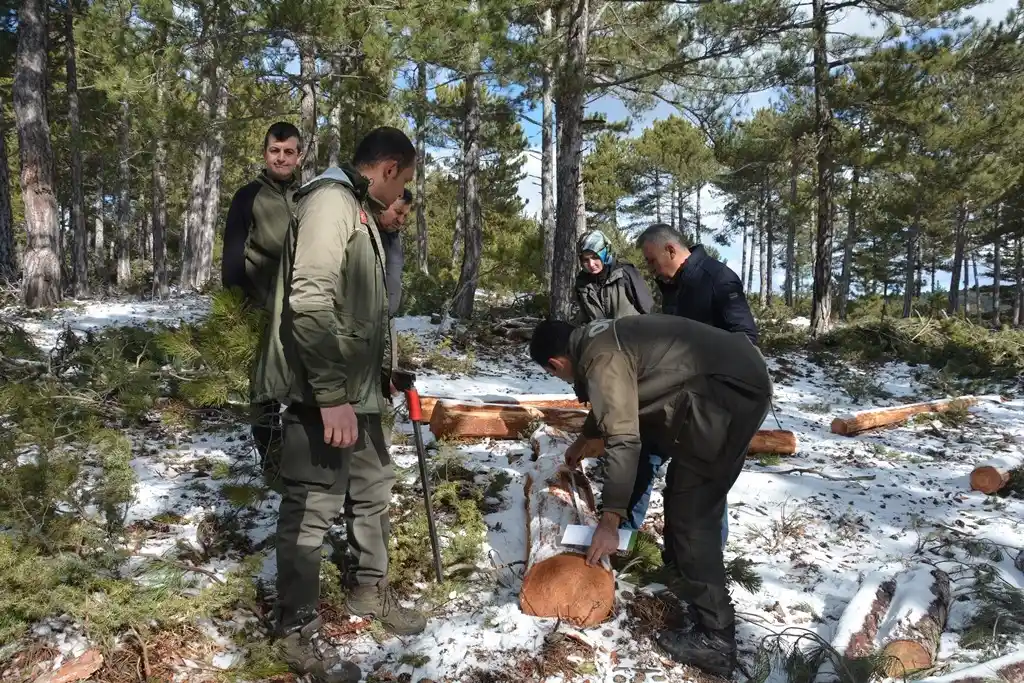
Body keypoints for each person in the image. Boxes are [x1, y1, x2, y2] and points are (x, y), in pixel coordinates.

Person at [259, 126, 424, 683]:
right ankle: (296, 628)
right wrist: (330, 397)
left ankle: (368, 593)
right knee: (311, 513)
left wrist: (384, 372)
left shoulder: (359, 211)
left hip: (363, 396)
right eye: (402, 180)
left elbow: (371, 312)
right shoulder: (331, 201)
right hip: (322, 397)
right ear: (388, 168)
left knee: (373, 494)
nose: (401, 193)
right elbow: (309, 301)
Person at [528, 316, 773, 678]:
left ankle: (716, 639)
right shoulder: (595, 340)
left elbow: (625, 440)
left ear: (556, 363)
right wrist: (585, 438)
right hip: (729, 380)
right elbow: (613, 398)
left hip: (729, 393)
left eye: (555, 375)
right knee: (682, 494)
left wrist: (610, 520)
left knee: (693, 513)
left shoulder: (598, 358)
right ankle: (685, 585)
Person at [220, 121, 302, 491]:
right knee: (264, 393)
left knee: (306, 388)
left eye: (288, 151)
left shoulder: (311, 196)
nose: (281, 158)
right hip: (261, 309)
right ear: (265, 153)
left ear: (299, 155)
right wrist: (237, 309)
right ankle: (273, 468)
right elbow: (232, 256)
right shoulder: (247, 196)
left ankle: (304, 461)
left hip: (304, 308)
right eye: (275, 151)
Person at [572, 230, 659, 533]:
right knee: (618, 425)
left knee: (639, 440)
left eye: (595, 257)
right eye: (585, 259)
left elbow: (648, 311)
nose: (591, 264)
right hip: (608, 357)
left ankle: (626, 519)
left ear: (606, 254)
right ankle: (621, 509)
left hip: (638, 355)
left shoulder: (626, 274)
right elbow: (588, 322)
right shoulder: (582, 285)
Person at [636, 223, 758, 346]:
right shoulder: (671, 284)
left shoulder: (718, 278)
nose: (650, 269)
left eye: (652, 261)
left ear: (671, 251)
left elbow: (746, 338)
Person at [378, 189, 413, 317]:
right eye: (398, 212)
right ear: (383, 204)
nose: (401, 221)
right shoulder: (363, 232)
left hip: (387, 321)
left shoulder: (395, 238)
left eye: (405, 216)